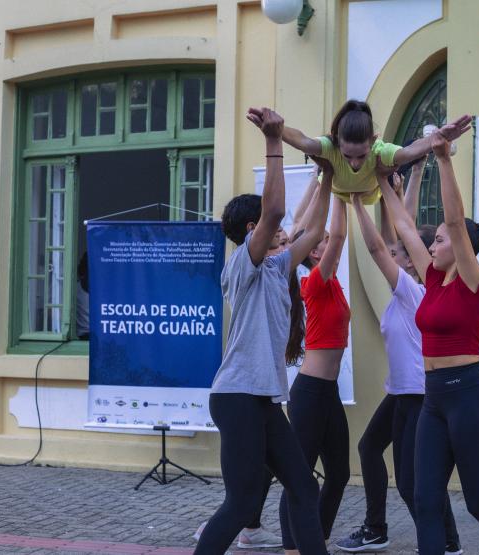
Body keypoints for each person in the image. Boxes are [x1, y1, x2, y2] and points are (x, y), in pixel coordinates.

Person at [193, 107, 332, 555]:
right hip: (237, 398)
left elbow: (312, 231)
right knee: (241, 503)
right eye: (271, 224)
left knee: (304, 490)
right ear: (255, 231)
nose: (281, 225)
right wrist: (274, 142)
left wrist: (330, 176)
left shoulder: (276, 267)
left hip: (263, 400)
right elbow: (274, 209)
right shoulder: (243, 266)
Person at [386, 130, 479, 555]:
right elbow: (402, 226)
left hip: (469, 396)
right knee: (426, 501)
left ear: (464, 246)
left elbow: (453, 219)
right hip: (434, 399)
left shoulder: (472, 281)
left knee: (478, 503)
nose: (433, 244)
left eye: (442, 241)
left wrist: (444, 158)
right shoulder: (431, 276)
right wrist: (380, 181)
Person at [336, 170, 462, 554]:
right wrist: (403, 184)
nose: (392, 252)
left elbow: (379, 248)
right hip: (405, 392)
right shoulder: (414, 287)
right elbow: (400, 230)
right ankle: (378, 528)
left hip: (418, 396)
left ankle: (447, 541)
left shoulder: (412, 290)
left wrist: (356, 200)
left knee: (411, 483)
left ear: (410, 261)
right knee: (371, 447)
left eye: (399, 253)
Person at [279, 194, 351, 555]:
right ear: (315, 255)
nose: (327, 243)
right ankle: (292, 547)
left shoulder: (332, 281)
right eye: (319, 243)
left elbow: (335, 238)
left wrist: (334, 188)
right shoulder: (314, 283)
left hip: (328, 392)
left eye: (323, 240)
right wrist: (341, 192)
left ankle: (314, 539)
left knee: (339, 474)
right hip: (308, 393)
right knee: (299, 475)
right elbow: (337, 237)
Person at [280, 100, 472, 204]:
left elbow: (408, 151)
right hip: (336, 191)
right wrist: (277, 130)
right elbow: (303, 141)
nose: (354, 163)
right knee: (334, 237)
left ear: (372, 141)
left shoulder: (379, 149)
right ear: (337, 141)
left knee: (398, 166)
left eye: (361, 156)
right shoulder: (330, 146)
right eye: (348, 156)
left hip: (370, 194)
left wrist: (434, 139)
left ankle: (419, 164)